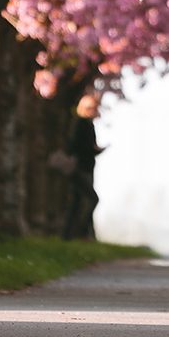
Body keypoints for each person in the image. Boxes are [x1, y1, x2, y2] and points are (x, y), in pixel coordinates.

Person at [61, 94, 102, 240]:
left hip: (84, 168)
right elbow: (77, 147)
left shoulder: (83, 124)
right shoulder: (83, 124)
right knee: (91, 199)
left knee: (77, 202)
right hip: (81, 168)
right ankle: (79, 232)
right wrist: (95, 150)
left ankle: (71, 235)